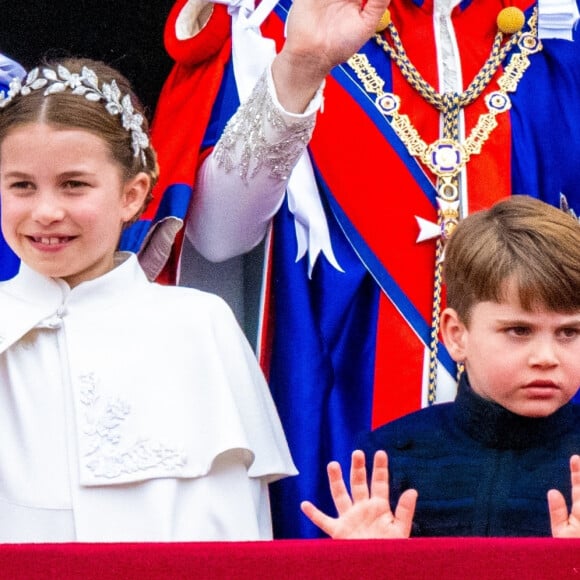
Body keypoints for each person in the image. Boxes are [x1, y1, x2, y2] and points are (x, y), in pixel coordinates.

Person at [122, 0, 580, 537]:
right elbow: (218, 237)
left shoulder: (555, 31)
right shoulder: (286, 23)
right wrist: (301, 66)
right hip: (336, 404)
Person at [0, 57, 296, 542]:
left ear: (132, 195)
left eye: (74, 185)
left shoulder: (199, 325)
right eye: (22, 186)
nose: (46, 211)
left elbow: (239, 526)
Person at [300, 196, 580, 538]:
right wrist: (367, 566)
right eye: (519, 331)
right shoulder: (392, 457)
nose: (546, 357)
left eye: (569, 332)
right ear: (456, 335)